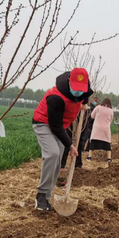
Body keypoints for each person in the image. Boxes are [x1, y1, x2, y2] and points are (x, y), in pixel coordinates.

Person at [32, 68, 93, 211]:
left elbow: (85, 95)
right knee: (52, 154)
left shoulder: (84, 89)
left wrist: (84, 103)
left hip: (61, 126)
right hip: (44, 123)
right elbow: (55, 126)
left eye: (81, 90)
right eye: (75, 89)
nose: (78, 92)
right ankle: (41, 195)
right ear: (68, 82)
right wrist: (70, 145)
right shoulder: (55, 97)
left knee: (58, 159)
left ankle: (46, 198)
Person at [87, 98, 114, 163]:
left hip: (97, 128)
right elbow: (111, 120)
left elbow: (92, 116)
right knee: (107, 144)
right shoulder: (111, 110)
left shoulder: (98, 107)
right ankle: (109, 158)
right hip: (106, 128)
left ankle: (90, 157)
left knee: (93, 142)